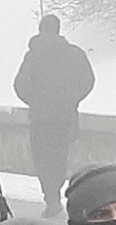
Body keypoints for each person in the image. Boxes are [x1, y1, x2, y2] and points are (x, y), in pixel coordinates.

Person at [13, 13, 94, 202]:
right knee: (60, 156)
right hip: (65, 117)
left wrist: (35, 101)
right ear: (58, 30)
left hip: (40, 118)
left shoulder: (32, 56)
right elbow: (88, 80)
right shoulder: (74, 53)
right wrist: (72, 99)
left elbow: (20, 84)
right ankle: (56, 188)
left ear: (40, 30)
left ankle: (50, 195)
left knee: (42, 158)